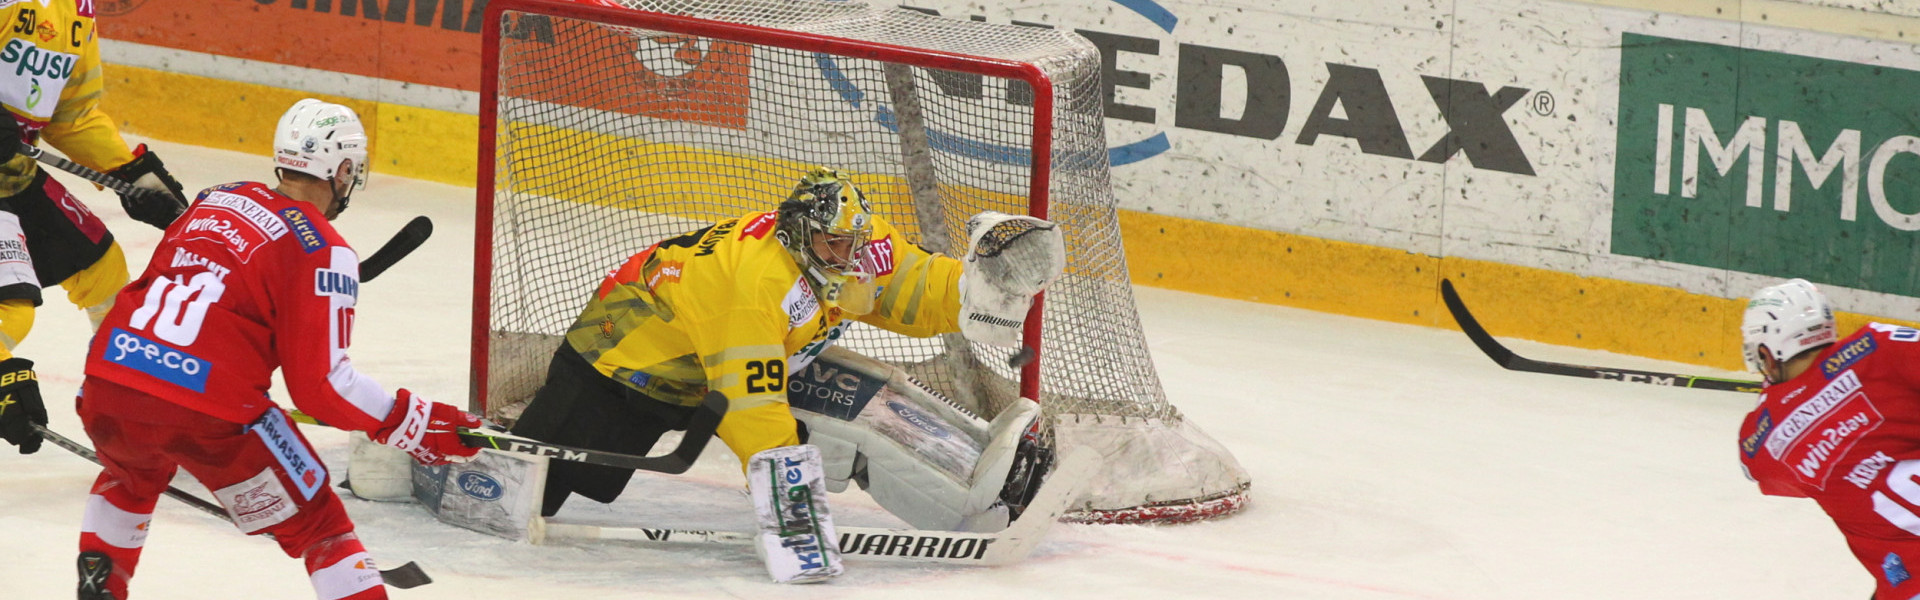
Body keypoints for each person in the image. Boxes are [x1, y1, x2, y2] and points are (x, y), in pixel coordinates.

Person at [507, 167, 1063, 582]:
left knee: (855, 402)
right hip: (621, 368)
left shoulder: (851, 241)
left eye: (855, 243)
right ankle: (482, 464)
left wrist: (969, 292)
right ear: (799, 236)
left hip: (727, 359)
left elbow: (907, 281)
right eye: (833, 245)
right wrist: (794, 520)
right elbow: (749, 403)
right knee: (527, 490)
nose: (848, 256)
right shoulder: (751, 287)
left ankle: (978, 477)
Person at [71, 99, 478, 600]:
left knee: (128, 476)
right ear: (343, 169)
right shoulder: (323, 250)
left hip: (110, 382)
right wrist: (416, 422)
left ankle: (100, 587)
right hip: (210, 412)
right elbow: (321, 388)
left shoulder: (217, 197)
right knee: (320, 528)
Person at [0, 0, 190, 456]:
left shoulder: (75, 10)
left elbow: (72, 114)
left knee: (104, 268)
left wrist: (128, 171)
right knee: (13, 308)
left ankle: (127, 401)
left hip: (13, 174)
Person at [1737, 278, 1920, 599]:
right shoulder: (1881, 345)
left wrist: (1778, 397)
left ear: (1767, 354)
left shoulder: (1766, 439)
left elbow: (1754, 469)